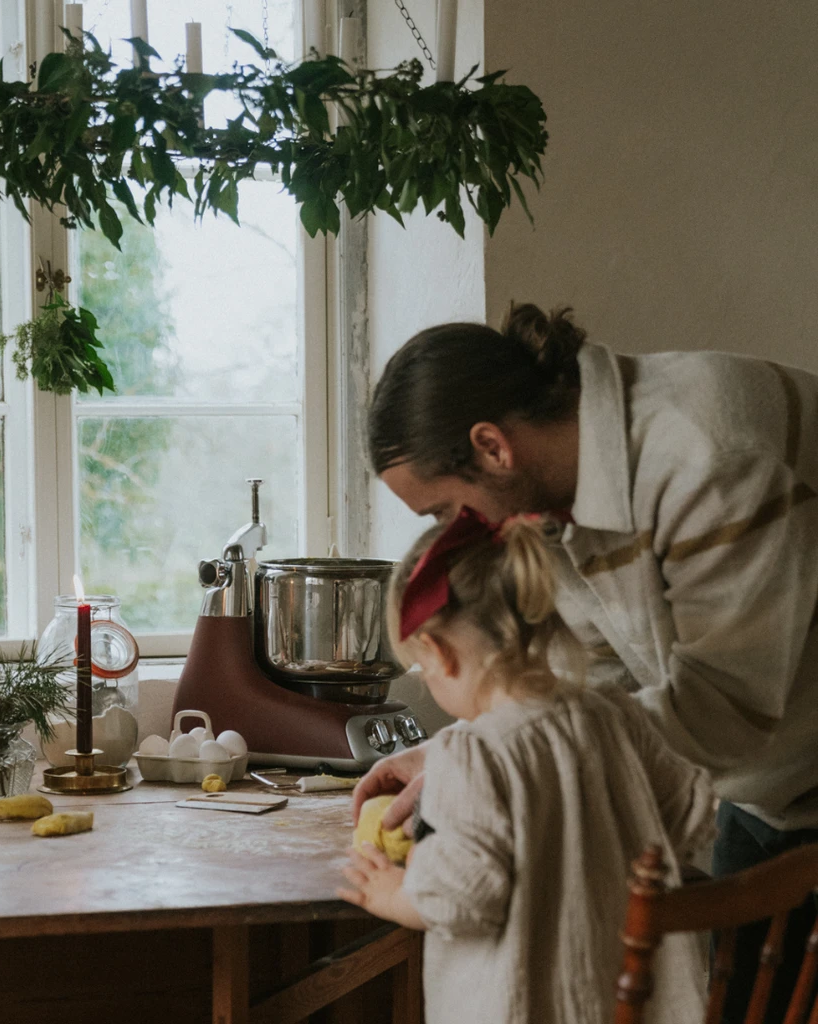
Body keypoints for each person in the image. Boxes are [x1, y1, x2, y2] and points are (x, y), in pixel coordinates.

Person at [356, 303, 818, 1023]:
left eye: (443, 511)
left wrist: (497, 762)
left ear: (492, 447)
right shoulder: (553, 500)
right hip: (771, 783)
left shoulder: (704, 457)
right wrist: (461, 749)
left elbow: (726, 711)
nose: (453, 535)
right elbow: (597, 689)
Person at [338, 510, 715, 1024]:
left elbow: (463, 899)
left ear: (439, 653)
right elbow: (690, 813)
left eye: (421, 670)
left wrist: (397, 893)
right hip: (625, 1002)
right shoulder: (614, 713)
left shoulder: (469, 754)